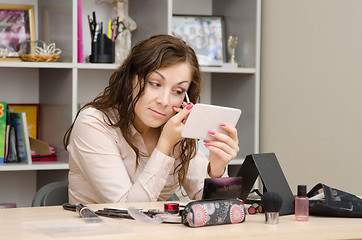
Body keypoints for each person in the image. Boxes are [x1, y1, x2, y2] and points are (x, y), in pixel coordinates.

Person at [63, 34, 239, 204]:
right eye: (155, 84)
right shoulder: (93, 123)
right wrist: (164, 145)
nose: (164, 101)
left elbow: (213, 206)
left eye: (177, 91)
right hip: (98, 231)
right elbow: (127, 209)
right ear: (130, 78)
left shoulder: (176, 128)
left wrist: (216, 170)